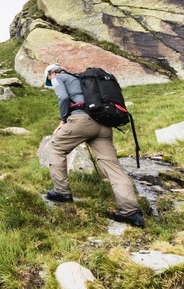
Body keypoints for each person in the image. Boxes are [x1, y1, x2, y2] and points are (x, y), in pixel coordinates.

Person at [43, 63, 144, 227]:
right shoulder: (83, 80)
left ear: (52, 72)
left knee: (56, 147)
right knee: (112, 166)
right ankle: (131, 212)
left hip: (81, 121)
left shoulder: (58, 77)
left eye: (48, 78)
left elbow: (62, 98)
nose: (50, 81)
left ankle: (62, 193)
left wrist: (63, 120)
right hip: (103, 125)